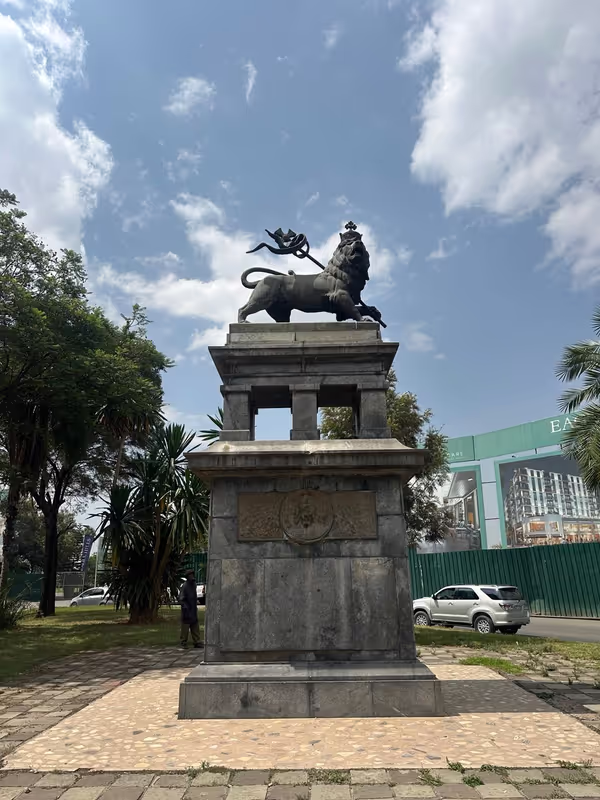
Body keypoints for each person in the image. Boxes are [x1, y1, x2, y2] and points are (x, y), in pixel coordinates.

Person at [179, 570, 201, 648]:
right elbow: (181, 598)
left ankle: (197, 641)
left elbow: (194, 595)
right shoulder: (184, 586)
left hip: (193, 608)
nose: (192, 577)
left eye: (192, 575)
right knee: (185, 626)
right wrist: (185, 607)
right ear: (187, 577)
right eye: (190, 575)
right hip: (187, 609)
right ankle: (183, 642)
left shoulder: (194, 584)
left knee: (195, 625)